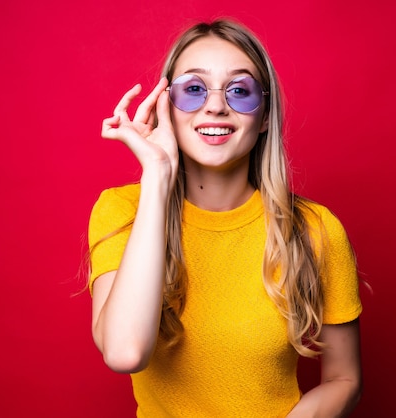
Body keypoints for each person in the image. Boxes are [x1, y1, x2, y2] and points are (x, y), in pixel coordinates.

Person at [87, 19, 363, 417]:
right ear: (166, 107)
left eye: (239, 90)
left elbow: (346, 378)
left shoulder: (315, 229)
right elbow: (125, 352)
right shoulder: (124, 211)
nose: (216, 105)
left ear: (265, 116)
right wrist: (158, 176)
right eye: (194, 89)